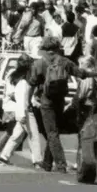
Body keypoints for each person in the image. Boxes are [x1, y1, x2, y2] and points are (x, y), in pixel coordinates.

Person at [30, 35, 73, 173]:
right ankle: (47, 162)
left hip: (46, 100)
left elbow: (32, 82)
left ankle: (61, 164)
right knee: (54, 131)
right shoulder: (64, 61)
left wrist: (29, 98)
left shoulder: (40, 63)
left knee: (51, 132)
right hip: (60, 100)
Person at [0, 56, 33, 165]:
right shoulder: (19, 77)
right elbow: (13, 94)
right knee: (10, 132)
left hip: (9, 107)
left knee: (12, 132)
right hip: (13, 108)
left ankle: (3, 154)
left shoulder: (12, 74)